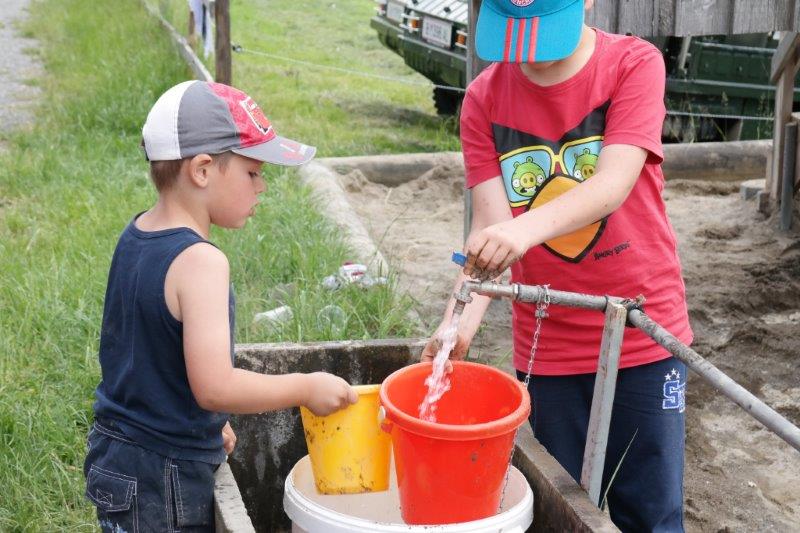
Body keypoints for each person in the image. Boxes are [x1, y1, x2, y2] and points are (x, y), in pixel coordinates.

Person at [422, 1, 692, 531]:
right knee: (560, 507)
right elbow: (492, 232)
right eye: (514, 32)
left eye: (545, 31)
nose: (532, 54)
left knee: (651, 510)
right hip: (550, 342)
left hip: (642, 329)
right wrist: (457, 327)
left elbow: (612, 184)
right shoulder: (484, 100)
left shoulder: (632, 65)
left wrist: (521, 231)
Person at [84, 80, 357, 531]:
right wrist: (306, 387)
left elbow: (149, 358)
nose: (262, 186)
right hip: (166, 474)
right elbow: (214, 386)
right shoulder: (202, 261)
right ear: (203, 170)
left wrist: (205, 423)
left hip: (118, 452)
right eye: (252, 173)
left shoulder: (136, 234)